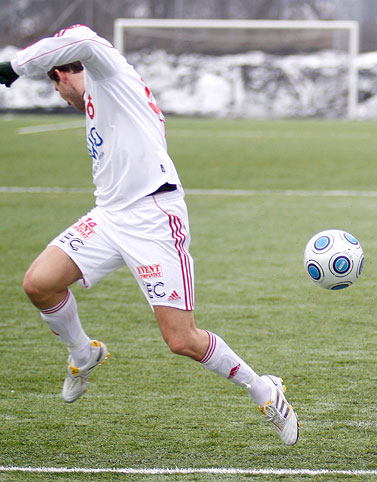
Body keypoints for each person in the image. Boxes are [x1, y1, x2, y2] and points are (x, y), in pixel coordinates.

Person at [0, 24, 299, 446]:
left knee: (182, 339)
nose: (60, 96)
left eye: (56, 86)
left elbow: (81, 38)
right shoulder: (98, 98)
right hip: (110, 217)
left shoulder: (108, 72)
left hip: (154, 215)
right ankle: (84, 354)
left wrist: (14, 66)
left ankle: (264, 389)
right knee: (39, 283)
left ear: (61, 72)